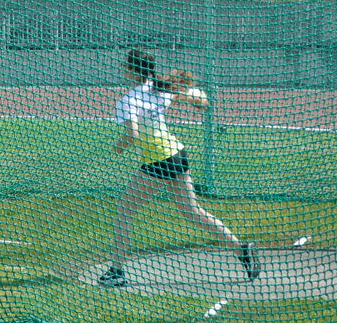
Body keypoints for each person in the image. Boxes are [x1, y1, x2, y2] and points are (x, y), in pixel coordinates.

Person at [99, 49, 260, 287]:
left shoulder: (129, 100)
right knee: (192, 211)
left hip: (159, 161)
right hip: (178, 155)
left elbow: (132, 134)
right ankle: (241, 249)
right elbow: (198, 97)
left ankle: (116, 272)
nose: (122, 68)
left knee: (125, 210)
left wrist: (118, 148)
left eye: (125, 65)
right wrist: (200, 101)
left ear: (133, 71)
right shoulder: (159, 88)